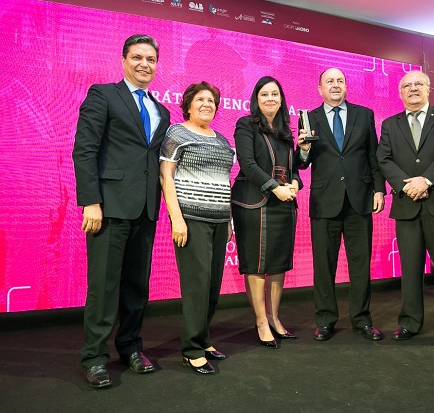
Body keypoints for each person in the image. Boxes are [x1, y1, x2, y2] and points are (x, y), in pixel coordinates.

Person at [72, 34, 171, 388]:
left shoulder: (162, 110)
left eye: (151, 59)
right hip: (108, 208)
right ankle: (94, 357)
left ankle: (130, 346)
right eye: (137, 57)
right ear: (124, 60)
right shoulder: (103, 94)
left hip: (145, 209)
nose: (145, 64)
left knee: (136, 286)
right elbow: (84, 150)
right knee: (103, 286)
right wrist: (91, 201)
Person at [376, 70, 434, 350]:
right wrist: (407, 186)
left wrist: (425, 180)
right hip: (407, 205)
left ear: (429, 89)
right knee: (410, 271)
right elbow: (384, 158)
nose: (413, 88)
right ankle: (410, 323)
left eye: (418, 84)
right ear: (400, 92)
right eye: (407, 85)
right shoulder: (390, 124)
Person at [296, 68, 385, 342]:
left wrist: (379, 189)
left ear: (346, 86)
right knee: (324, 266)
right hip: (325, 202)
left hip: (359, 200)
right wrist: (303, 149)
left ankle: (362, 319)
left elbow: (374, 155)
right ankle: (325, 320)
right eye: (329, 82)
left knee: (361, 264)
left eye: (340, 81)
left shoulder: (364, 114)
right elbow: (302, 163)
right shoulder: (308, 117)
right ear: (319, 88)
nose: (335, 85)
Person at [160, 81, 235, 374]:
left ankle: (203, 339)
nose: (207, 104)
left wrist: (228, 220)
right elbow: (166, 176)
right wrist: (176, 219)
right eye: (201, 100)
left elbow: (224, 183)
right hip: (191, 220)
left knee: (213, 285)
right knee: (196, 285)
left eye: (212, 101)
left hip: (218, 221)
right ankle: (191, 350)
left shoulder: (222, 140)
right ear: (189, 104)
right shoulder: (177, 133)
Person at [231, 76, 302, 349]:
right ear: (256, 99)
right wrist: (275, 187)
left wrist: (295, 182)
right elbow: (247, 164)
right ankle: (261, 322)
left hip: (284, 202)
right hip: (254, 202)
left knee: (278, 266)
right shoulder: (246, 125)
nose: (270, 98)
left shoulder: (285, 130)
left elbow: (294, 166)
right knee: (257, 266)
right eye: (264, 94)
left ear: (281, 99)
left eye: (274, 94)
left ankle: (274, 318)